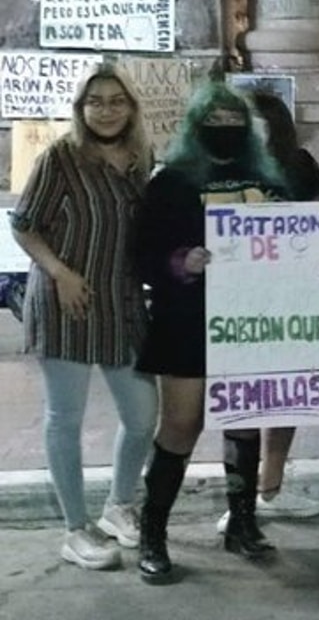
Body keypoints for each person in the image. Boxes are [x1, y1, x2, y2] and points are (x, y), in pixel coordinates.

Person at [135, 83, 288, 583]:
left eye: (233, 119)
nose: (225, 128)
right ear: (196, 125)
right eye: (214, 119)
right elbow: (142, 253)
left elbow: (295, 241)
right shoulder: (171, 181)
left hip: (249, 318)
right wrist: (180, 261)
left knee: (244, 419)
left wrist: (313, 264)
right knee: (181, 425)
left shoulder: (267, 181)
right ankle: (152, 530)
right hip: (186, 320)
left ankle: (242, 522)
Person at [10, 62, 158, 570]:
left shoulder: (141, 159)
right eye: (95, 101)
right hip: (65, 301)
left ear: (131, 107)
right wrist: (60, 272)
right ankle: (76, 529)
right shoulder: (62, 157)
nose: (107, 110)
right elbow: (25, 225)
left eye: (117, 100)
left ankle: (120, 504)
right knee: (64, 419)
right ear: (81, 108)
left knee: (142, 415)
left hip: (121, 302)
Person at [211, 91, 319, 533]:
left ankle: (272, 486)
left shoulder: (299, 164)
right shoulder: (219, 169)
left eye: (261, 119)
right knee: (243, 399)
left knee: (287, 394)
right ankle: (239, 501)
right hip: (237, 301)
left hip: (292, 295)